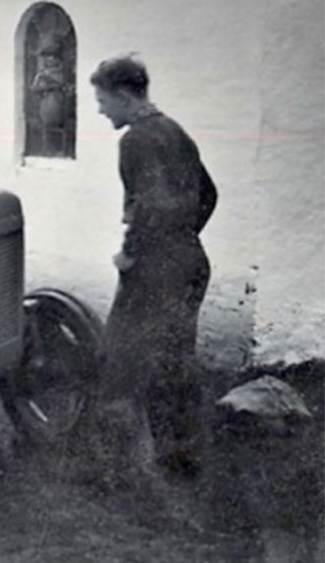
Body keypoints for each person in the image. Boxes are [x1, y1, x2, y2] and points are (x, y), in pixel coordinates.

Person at [85, 55, 218, 488]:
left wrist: (133, 253)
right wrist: (183, 237)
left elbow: (152, 206)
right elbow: (209, 195)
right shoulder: (175, 131)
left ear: (125, 95)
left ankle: (114, 473)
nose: (101, 109)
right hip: (189, 263)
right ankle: (180, 462)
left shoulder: (137, 139)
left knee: (119, 363)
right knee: (173, 363)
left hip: (156, 270)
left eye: (103, 100)